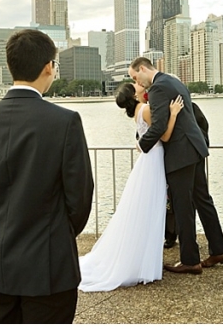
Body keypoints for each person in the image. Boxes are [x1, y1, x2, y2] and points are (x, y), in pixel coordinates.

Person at [0, 29, 94, 324]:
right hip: (48, 262)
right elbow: (79, 196)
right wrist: (58, 232)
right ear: (49, 66)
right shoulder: (65, 121)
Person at [79, 83, 184, 291]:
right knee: (152, 207)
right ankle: (144, 261)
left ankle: (144, 258)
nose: (139, 85)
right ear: (134, 95)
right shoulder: (145, 109)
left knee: (145, 207)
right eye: (134, 85)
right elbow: (164, 136)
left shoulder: (138, 111)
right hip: (153, 159)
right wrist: (172, 114)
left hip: (148, 159)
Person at [130, 58, 223, 275]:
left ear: (143, 68)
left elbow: (158, 126)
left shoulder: (158, 88)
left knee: (183, 206)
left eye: (136, 77)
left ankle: (190, 260)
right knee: (203, 200)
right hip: (195, 147)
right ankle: (219, 250)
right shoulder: (174, 81)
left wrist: (141, 145)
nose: (138, 82)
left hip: (180, 153)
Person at [164, 101, 210, 249]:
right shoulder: (190, 107)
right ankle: (175, 235)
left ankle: (177, 237)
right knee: (193, 200)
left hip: (182, 160)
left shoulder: (183, 107)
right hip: (193, 156)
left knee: (181, 202)